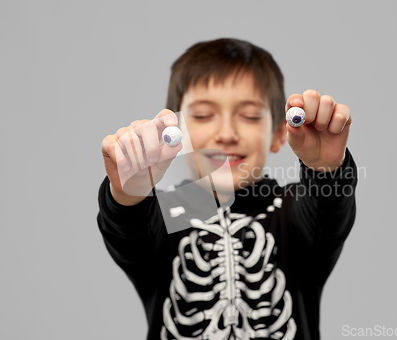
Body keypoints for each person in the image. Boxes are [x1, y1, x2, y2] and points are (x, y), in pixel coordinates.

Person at [97, 38, 357, 340]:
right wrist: (131, 189)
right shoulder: (163, 217)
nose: (226, 134)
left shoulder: (294, 214)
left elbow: (328, 210)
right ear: (176, 131)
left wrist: (325, 169)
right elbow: (128, 230)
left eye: (248, 116)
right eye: (204, 115)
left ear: (277, 134)